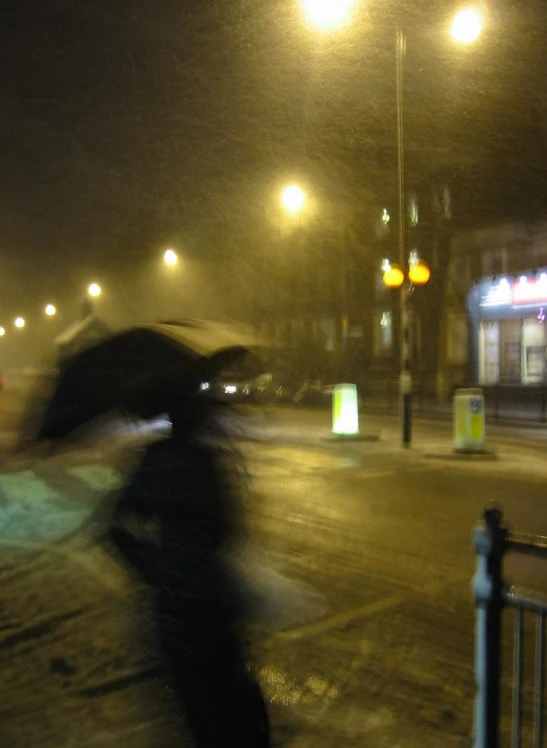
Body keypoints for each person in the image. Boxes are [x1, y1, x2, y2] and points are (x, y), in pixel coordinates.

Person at [109, 378, 271, 747]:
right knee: (235, 698)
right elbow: (228, 531)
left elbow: (116, 527)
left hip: (174, 604)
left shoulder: (154, 461)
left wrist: (153, 565)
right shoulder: (208, 460)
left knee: (199, 707)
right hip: (213, 596)